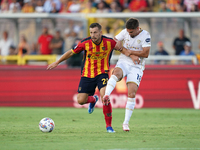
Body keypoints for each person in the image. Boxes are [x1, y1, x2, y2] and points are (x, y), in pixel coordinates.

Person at [47, 23, 139, 133]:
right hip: (87, 74)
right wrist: (57, 62)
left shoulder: (109, 42)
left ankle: (109, 126)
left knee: (105, 97)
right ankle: (93, 99)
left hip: (102, 73)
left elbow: (123, 49)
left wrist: (133, 56)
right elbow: (71, 53)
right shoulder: (85, 43)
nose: (93, 35)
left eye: (95, 32)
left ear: (100, 32)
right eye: (91, 32)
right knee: (81, 100)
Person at [103, 18, 151, 132]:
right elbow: (114, 43)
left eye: (131, 32)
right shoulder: (124, 32)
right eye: (128, 31)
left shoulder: (145, 35)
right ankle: (106, 95)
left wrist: (130, 52)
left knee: (132, 92)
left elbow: (146, 53)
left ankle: (125, 123)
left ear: (137, 29)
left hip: (137, 66)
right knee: (116, 73)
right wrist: (129, 54)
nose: (129, 34)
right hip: (124, 61)